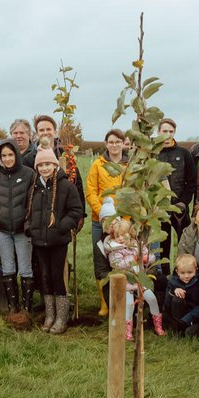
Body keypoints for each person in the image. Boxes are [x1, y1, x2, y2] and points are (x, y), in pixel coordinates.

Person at [25, 146, 84, 334]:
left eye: (48, 164)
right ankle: (50, 316)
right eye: (41, 164)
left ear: (55, 165)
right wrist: (30, 229)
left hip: (58, 240)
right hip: (39, 240)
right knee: (44, 276)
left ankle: (61, 318)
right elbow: (29, 211)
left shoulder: (66, 186)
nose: (44, 168)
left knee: (58, 276)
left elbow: (76, 210)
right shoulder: (34, 187)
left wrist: (60, 226)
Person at [0, 140, 34, 314]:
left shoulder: (29, 174)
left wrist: (27, 221)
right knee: (7, 268)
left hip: (23, 230)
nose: (7, 159)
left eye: (10, 155)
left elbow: (32, 201)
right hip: (2, 229)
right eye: (3, 156)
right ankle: (12, 308)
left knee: (25, 268)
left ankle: (26, 309)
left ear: (16, 155)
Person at [101, 216, 166, 341]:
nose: (121, 238)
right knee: (129, 305)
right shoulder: (114, 249)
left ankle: (158, 326)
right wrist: (134, 259)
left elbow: (150, 257)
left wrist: (147, 258)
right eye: (118, 236)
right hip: (127, 282)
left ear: (130, 234)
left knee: (152, 299)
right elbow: (117, 264)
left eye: (124, 235)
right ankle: (128, 331)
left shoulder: (137, 244)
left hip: (140, 280)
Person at [87, 129, 127, 310]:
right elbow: (91, 192)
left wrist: (123, 219)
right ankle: (104, 303)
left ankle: (122, 300)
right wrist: (104, 215)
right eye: (111, 142)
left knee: (122, 257)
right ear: (106, 144)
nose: (114, 145)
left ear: (123, 143)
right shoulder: (98, 165)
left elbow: (132, 193)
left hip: (124, 221)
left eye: (118, 141)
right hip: (100, 220)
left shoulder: (129, 165)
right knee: (101, 258)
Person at [156, 118, 196, 241]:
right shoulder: (152, 154)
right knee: (162, 248)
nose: (167, 135)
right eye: (164, 131)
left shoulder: (184, 154)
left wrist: (183, 202)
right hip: (158, 209)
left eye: (171, 131)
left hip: (180, 208)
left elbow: (192, 181)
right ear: (158, 132)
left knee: (184, 243)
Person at [166, 254, 199, 336]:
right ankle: (178, 328)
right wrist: (174, 291)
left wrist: (188, 319)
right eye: (182, 273)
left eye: (190, 272)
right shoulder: (172, 282)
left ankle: (188, 328)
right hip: (180, 316)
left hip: (197, 317)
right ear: (177, 272)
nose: (186, 276)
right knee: (177, 299)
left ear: (196, 269)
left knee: (190, 333)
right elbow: (166, 304)